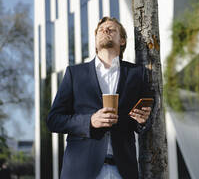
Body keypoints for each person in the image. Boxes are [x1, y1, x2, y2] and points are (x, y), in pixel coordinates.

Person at [47, 17, 154, 179]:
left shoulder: (136, 73)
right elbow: (54, 120)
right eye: (101, 30)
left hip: (123, 171)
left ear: (122, 40)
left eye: (112, 29)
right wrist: (90, 121)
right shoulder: (74, 74)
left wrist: (142, 121)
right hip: (80, 171)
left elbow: (142, 122)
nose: (105, 31)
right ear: (96, 40)